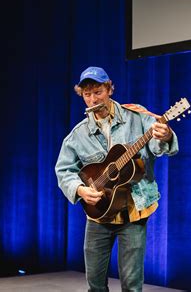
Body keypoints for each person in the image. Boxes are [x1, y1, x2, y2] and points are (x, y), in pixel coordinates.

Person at [55, 66, 178, 291]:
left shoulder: (137, 116)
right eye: (87, 94)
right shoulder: (78, 134)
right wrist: (81, 190)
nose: (93, 99)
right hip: (99, 215)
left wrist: (165, 135)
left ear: (110, 88)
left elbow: (157, 145)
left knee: (131, 284)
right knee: (94, 283)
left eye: (98, 92)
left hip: (133, 211)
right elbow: (64, 170)